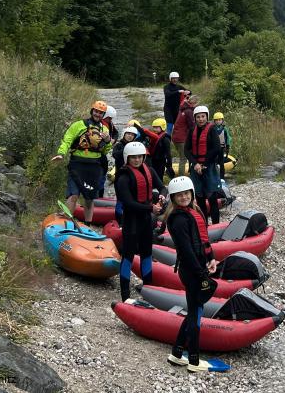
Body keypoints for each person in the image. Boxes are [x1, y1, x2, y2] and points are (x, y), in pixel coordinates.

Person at [164, 176, 219, 373]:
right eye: (179, 195)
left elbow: (203, 239)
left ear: (192, 193)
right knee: (196, 313)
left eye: (186, 193)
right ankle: (194, 361)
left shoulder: (194, 212)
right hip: (191, 270)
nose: (184, 197)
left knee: (195, 310)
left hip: (198, 267)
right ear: (173, 198)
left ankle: (177, 354)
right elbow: (186, 251)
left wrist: (211, 257)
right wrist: (201, 274)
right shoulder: (178, 220)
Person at [113, 140, 167, 301]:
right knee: (128, 256)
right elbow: (128, 203)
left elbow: (162, 187)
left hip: (146, 220)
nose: (137, 160)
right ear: (127, 158)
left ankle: (148, 290)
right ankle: (125, 295)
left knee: (147, 253)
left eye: (139, 157)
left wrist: (162, 195)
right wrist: (151, 208)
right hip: (131, 220)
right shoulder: (123, 178)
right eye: (133, 157)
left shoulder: (149, 170)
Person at [51, 101, 113, 224]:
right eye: (96, 111)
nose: (97, 114)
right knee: (73, 195)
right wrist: (61, 153)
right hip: (77, 165)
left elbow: (105, 151)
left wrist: (107, 141)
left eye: (101, 113)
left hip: (94, 167)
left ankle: (88, 224)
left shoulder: (104, 129)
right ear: (92, 111)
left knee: (89, 199)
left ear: (103, 115)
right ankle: (66, 223)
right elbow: (67, 140)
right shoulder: (78, 125)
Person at [185, 105, 222, 224]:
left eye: (203, 116)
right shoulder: (192, 130)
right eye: (198, 117)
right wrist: (195, 164)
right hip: (196, 168)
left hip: (209, 167)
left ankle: (216, 225)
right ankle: (203, 224)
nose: (201, 119)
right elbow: (186, 150)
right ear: (195, 118)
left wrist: (204, 164)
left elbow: (216, 148)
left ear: (207, 117)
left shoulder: (212, 130)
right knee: (200, 198)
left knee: (212, 198)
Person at [171, 91, 196, 177]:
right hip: (181, 138)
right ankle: (181, 177)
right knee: (183, 158)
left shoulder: (183, 108)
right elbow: (192, 125)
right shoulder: (188, 111)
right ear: (194, 103)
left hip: (175, 137)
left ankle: (189, 171)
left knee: (185, 156)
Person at [144, 117, 174, 182]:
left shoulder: (165, 139)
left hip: (160, 162)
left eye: (157, 128)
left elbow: (168, 153)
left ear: (162, 127)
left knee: (159, 177)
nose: (154, 129)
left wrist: (169, 165)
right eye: (154, 127)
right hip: (153, 160)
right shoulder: (154, 136)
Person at [99, 105, 119, 197]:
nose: (110, 120)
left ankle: (100, 196)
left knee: (103, 174)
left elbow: (116, 133)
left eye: (111, 118)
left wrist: (112, 141)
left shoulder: (109, 123)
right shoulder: (98, 124)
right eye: (109, 118)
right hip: (98, 153)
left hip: (105, 152)